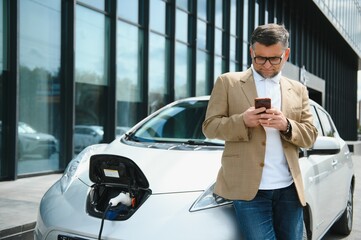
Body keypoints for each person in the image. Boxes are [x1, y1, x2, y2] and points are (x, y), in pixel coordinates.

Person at [202, 23, 318, 240]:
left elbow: (310, 135)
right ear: (251, 51)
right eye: (260, 58)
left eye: (274, 59)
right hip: (248, 192)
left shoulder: (299, 89)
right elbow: (209, 127)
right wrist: (242, 121)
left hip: (289, 189)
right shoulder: (228, 82)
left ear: (286, 54)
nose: (266, 65)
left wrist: (286, 125)